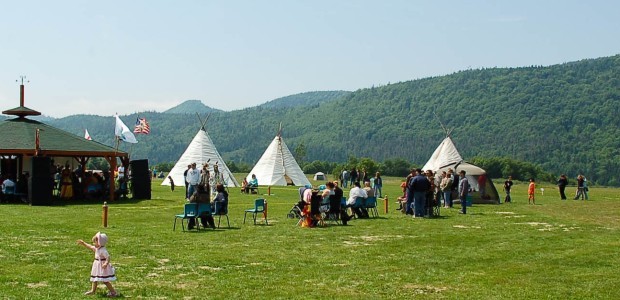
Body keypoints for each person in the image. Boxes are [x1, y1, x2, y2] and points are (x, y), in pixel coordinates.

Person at [77, 232, 118, 297]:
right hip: (96, 266)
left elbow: (108, 257)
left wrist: (106, 263)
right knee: (94, 279)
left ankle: (113, 292)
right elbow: (90, 246)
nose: (93, 244)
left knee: (105, 280)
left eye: (95, 242)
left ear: (100, 243)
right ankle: (93, 291)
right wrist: (83, 243)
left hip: (102, 267)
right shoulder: (96, 248)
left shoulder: (103, 250)